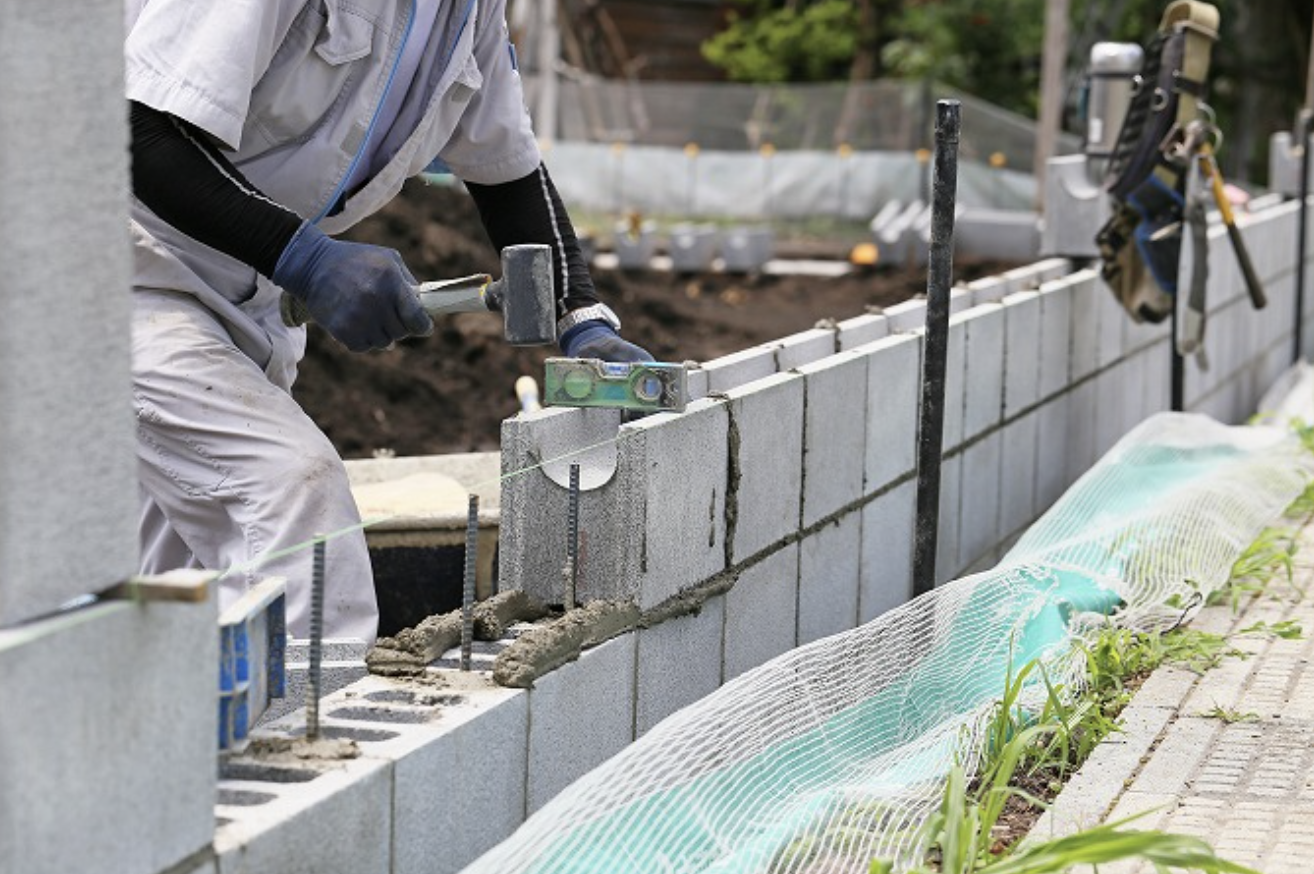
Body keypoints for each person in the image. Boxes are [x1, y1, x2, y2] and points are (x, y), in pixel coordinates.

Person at [124, 0, 651, 642]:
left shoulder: (468, 12)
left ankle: (151, 735)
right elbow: (140, 129)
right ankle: (314, 735)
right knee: (292, 496)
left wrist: (582, 319)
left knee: (171, 582)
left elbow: (506, 165)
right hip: (122, 270)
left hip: (245, 285)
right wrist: (307, 259)